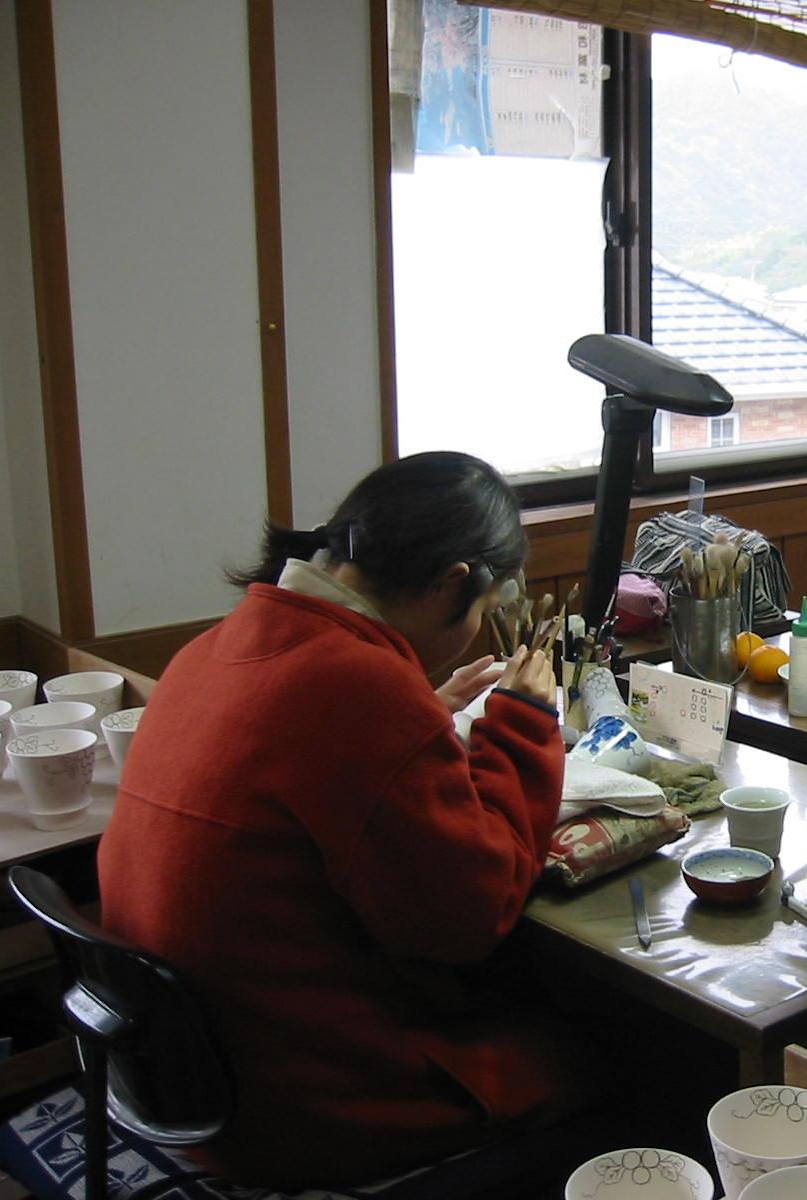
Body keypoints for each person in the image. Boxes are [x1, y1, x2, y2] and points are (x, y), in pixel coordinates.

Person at [97, 452, 573, 1187]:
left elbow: (309, 755)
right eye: (486, 606)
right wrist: (520, 724)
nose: (480, 625)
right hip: (292, 1104)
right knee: (613, 1050)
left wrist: (421, 714)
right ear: (452, 582)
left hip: (176, 1073)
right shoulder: (359, 688)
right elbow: (473, 916)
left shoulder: (217, 645)